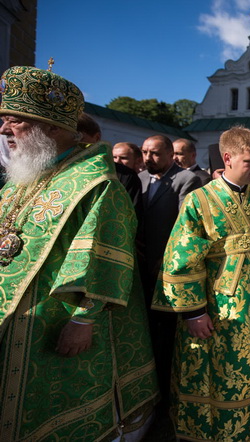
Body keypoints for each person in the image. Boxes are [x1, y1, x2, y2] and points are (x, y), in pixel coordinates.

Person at [0, 65, 158, 440]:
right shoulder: (21, 180)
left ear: (52, 127)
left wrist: (82, 320)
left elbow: (108, 256)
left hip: (57, 325)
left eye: (15, 121)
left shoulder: (97, 185)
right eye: (3, 120)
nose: (4, 130)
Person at [151, 126, 250, 441]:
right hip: (214, 308)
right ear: (227, 158)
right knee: (210, 373)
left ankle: (246, 429)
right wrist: (193, 312)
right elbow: (181, 260)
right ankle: (205, 432)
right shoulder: (199, 201)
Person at [139, 134, 202, 401]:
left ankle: (167, 390)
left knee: (166, 333)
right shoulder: (139, 178)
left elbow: (183, 228)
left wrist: (166, 260)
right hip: (140, 263)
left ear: (169, 155)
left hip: (166, 267)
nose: (148, 158)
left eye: (154, 154)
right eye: (144, 152)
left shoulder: (186, 180)